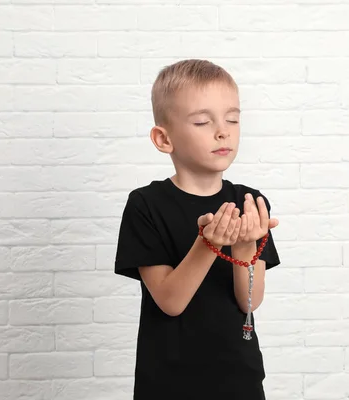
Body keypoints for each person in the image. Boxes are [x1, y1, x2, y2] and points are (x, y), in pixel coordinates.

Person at [114, 59, 281, 400]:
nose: (223, 131)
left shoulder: (249, 202)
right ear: (164, 139)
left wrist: (246, 245)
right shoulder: (146, 205)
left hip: (240, 379)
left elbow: (249, 301)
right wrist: (208, 243)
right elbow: (171, 302)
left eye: (232, 119)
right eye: (203, 122)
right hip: (168, 382)